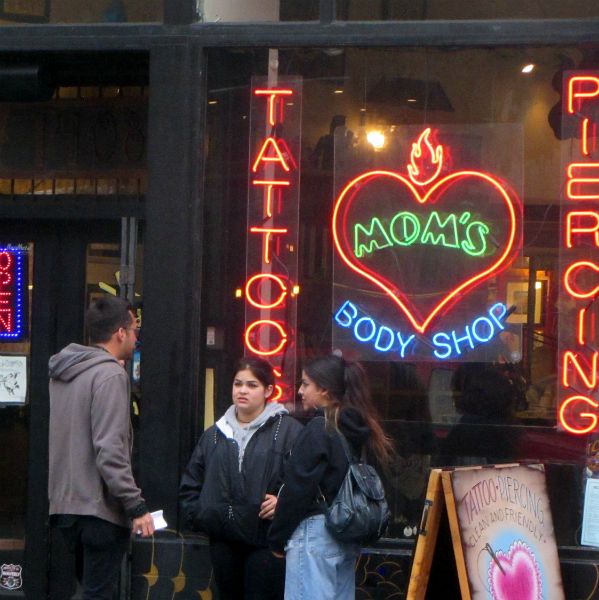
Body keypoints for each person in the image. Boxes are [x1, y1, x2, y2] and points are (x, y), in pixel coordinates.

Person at [48, 295, 155, 600]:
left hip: (66, 506)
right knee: (98, 594)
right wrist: (135, 506)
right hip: (99, 509)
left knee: (88, 591)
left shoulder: (64, 373)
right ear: (120, 332)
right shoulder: (109, 374)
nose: (136, 338)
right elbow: (109, 449)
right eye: (134, 330)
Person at [268, 354, 393, 600]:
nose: (301, 391)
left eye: (306, 384)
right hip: (344, 534)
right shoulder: (360, 428)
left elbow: (298, 488)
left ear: (324, 390)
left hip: (314, 533)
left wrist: (277, 538)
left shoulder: (319, 429)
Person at [179, 357, 303, 600]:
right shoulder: (214, 434)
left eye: (252, 385)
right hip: (223, 538)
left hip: (265, 540)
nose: (243, 390)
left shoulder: (289, 431)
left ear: (268, 390)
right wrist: (204, 515)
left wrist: (283, 502)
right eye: (238, 384)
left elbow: (305, 483)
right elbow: (191, 483)